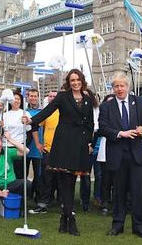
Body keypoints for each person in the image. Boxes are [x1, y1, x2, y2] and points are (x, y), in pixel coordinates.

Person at [23, 69, 95, 236]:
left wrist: (89, 142)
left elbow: (90, 122)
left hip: (80, 144)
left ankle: (64, 218)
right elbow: (47, 111)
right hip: (63, 144)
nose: (75, 83)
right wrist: (31, 120)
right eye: (72, 80)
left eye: (77, 80)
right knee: (65, 183)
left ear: (82, 81)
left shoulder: (87, 99)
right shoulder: (62, 97)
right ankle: (70, 219)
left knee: (72, 181)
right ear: (69, 82)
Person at [98, 72, 142, 240]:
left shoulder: (140, 102)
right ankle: (117, 225)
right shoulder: (106, 106)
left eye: (122, 85)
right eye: (116, 86)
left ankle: (139, 227)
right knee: (118, 193)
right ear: (112, 88)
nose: (119, 89)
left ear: (128, 87)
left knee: (137, 192)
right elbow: (103, 128)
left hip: (138, 155)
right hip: (117, 155)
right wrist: (121, 133)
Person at [29, 90, 59, 214]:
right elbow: (34, 125)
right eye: (50, 96)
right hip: (48, 150)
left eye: (55, 97)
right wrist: (37, 143)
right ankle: (43, 205)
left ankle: (65, 205)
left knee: (63, 179)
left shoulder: (65, 111)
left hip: (63, 151)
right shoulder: (47, 112)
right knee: (46, 178)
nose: (52, 98)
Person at [2, 91, 32, 179]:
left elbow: (29, 132)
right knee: (7, 173)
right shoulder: (4, 114)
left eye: (18, 99)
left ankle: (20, 192)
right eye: (14, 98)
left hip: (20, 148)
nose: (16, 101)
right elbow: (0, 132)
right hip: (6, 147)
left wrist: (25, 145)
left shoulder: (25, 114)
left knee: (20, 174)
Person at [25, 89, 44, 203]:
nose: (33, 98)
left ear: (38, 97)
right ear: (28, 97)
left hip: (38, 147)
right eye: (31, 96)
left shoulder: (42, 111)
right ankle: (26, 195)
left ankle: (38, 196)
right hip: (26, 147)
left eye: (35, 96)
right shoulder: (24, 111)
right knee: (24, 174)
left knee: (38, 175)